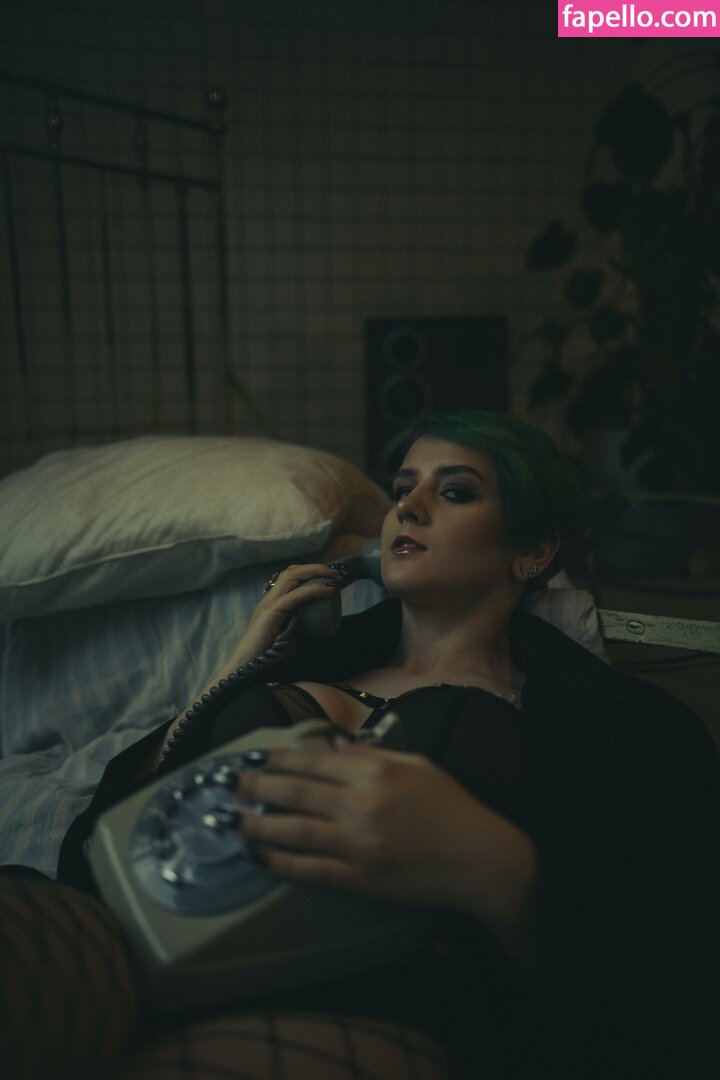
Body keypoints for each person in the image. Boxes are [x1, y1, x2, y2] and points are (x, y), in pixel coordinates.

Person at [2, 410, 718, 1080]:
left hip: (362, 1000)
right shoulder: (298, 664)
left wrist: (496, 865)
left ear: (533, 551)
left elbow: (664, 972)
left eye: (455, 492)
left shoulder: (610, 726)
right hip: (140, 937)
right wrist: (234, 672)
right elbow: (104, 839)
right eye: (403, 490)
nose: (408, 507)